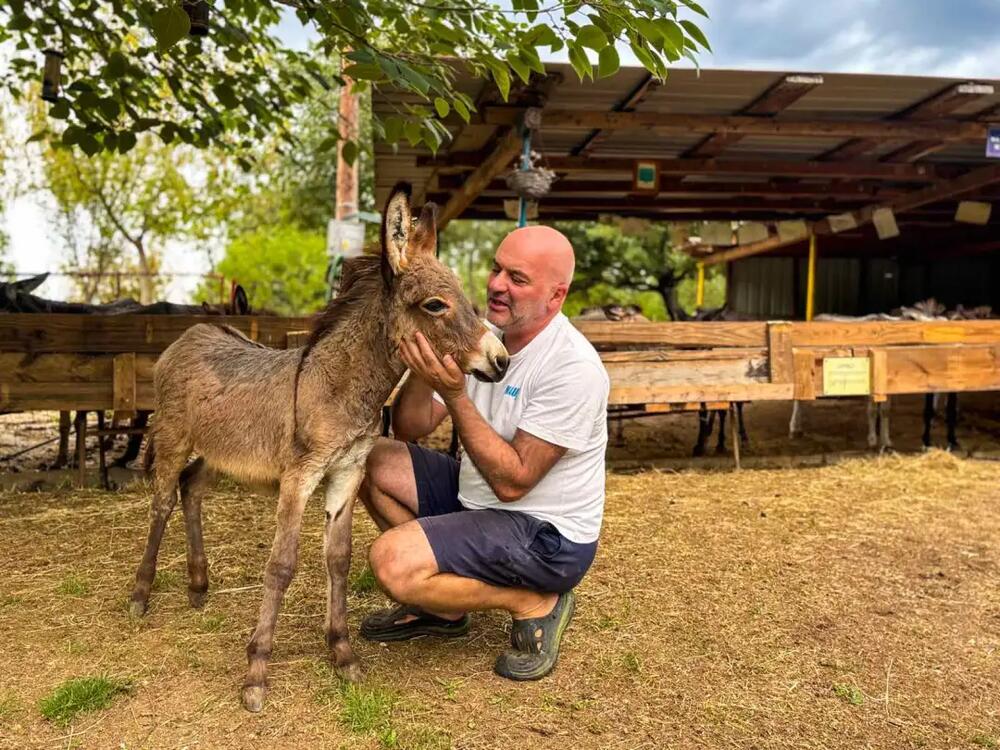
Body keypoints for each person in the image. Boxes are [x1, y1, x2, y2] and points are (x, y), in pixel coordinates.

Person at [359, 225, 609, 681]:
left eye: (517, 278)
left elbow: (514, 483)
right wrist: (428, 366)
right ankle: (443, 607)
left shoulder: (573, 367)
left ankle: (533, 600)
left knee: (392, 563)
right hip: (478, 501)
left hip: (546, 536)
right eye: (497, 269)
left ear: (555, 296)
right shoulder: (484, 336)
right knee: (367, 459)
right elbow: (410, 427)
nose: (496, 284)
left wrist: (457, 396)